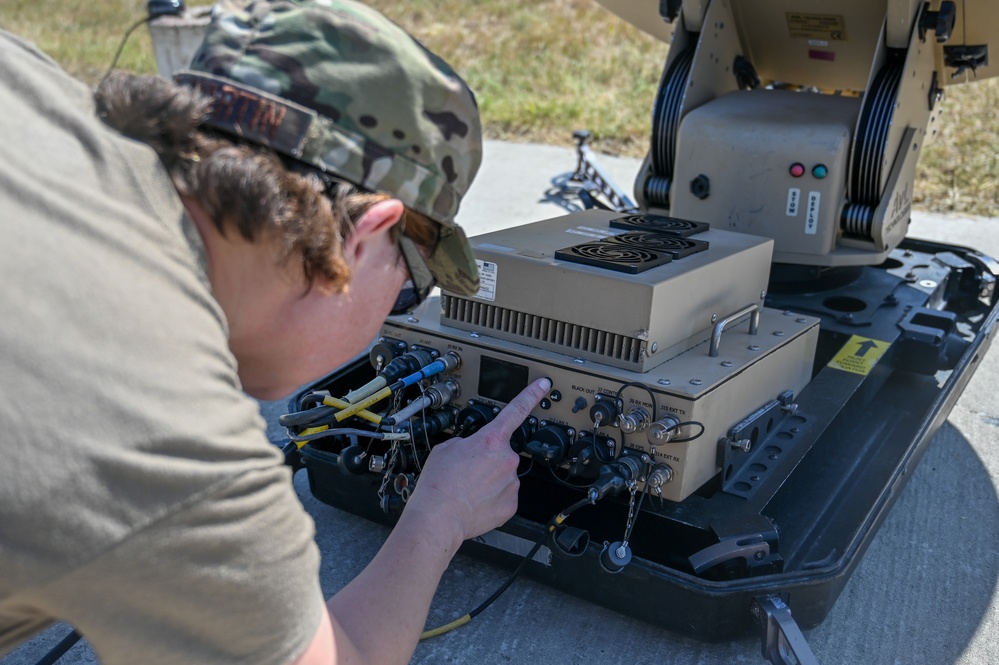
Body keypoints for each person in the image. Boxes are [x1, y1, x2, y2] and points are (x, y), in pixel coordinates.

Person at [0, 1, 549, 664]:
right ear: (366, 236)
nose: (396, 311)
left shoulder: (23, 80)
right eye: (410, 287)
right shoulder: (165, 436)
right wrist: (439, 515)